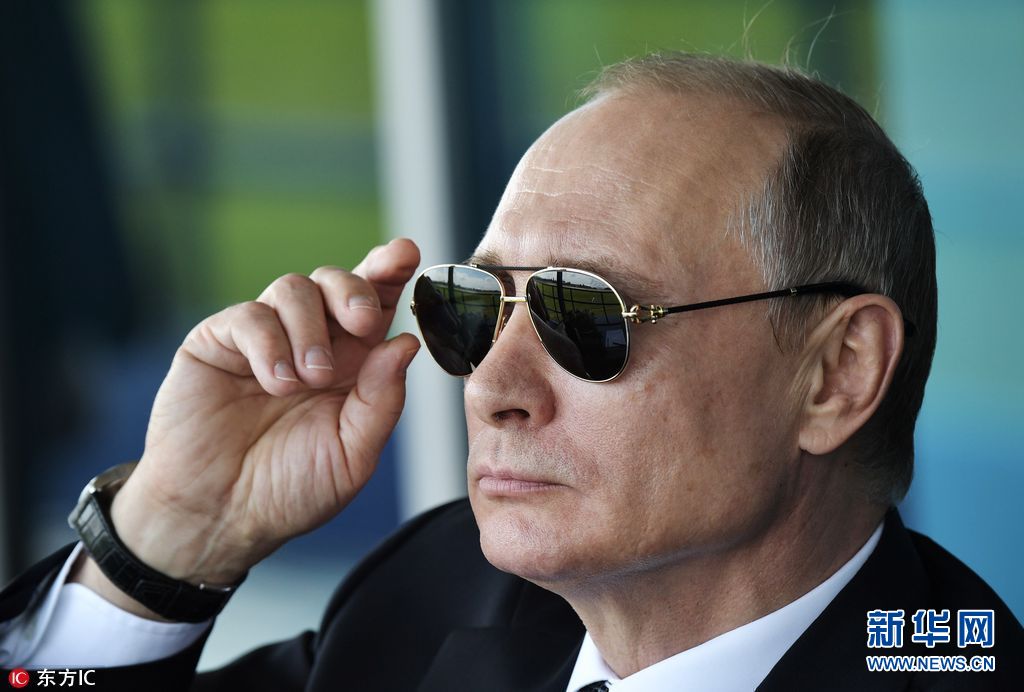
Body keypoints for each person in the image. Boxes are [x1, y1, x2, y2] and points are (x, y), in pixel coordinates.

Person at [1, 52, 1021, 691]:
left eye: (587, 315)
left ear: (836, 373)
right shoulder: (439, 592)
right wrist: (169, 541)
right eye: (474, 306)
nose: (490, 386)